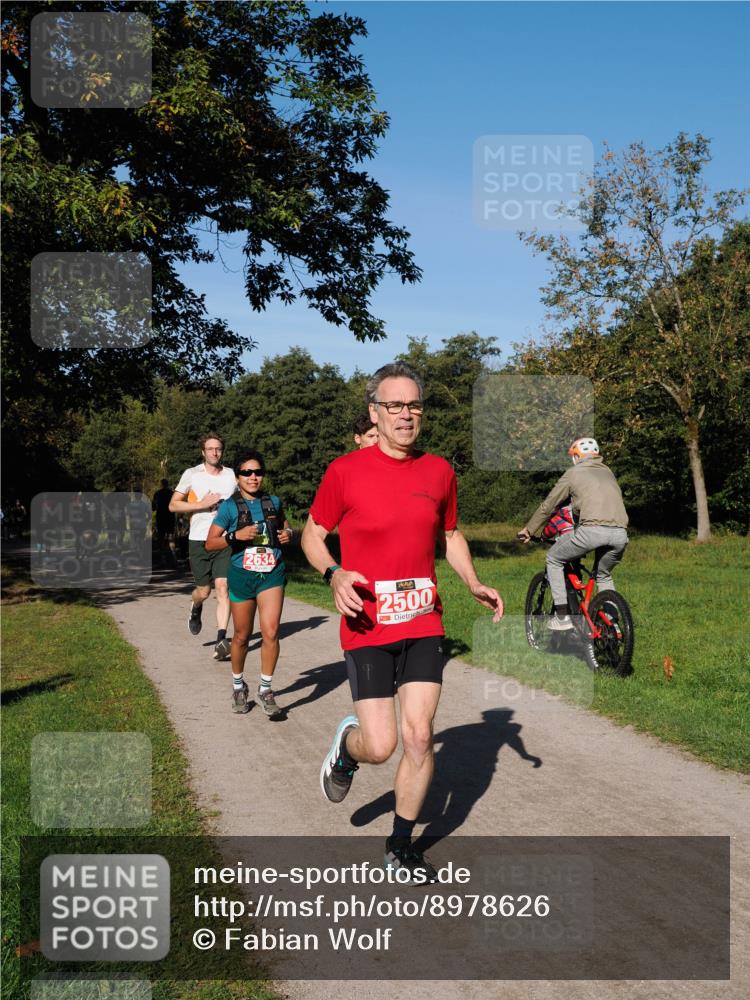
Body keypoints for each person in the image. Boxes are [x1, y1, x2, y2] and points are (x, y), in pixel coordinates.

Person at [302, 361, 504, 881]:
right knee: (382, 745)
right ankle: (348, 751)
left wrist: (472, 581)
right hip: (367, 623)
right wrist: (334, 574)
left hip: (421, 621)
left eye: (414, 405)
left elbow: (451, 534)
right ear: (375, 411)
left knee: (418, 736)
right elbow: (312, 535)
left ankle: (400, 845)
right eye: (394, 405)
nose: (406, 415)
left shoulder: (439, 471)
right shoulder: (345, 471)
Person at [206, 451, 293, 716]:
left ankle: (266, 689)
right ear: (237, 476)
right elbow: (210, 543)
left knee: (271, 631)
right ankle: (238, 685)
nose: (253, 477)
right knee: (242, 636)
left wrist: (287, 534)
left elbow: (286, 526)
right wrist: (236, 535)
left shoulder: (273, 502)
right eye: (247, 473)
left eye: (258, 472)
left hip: (271, 573)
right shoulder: (229, 507)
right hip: (242, 576)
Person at [517, 437, 629, 630]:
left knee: (553, 558)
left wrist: (529, 529)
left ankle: (562, 617)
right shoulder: (608, 472)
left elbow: (549, 505)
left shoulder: (573, 473)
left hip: (592, 532)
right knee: (603, 576)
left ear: (577, 457)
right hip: (620, 534)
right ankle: (613, 625)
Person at [170, 434, 237, 660]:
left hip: (224, 539)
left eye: (218, 449)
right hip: (199, 539)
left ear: (222, 451)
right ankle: (196, 606)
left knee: (223, 587)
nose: (214, 453)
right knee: (204, 591)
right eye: (210, 449)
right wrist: (201, 504)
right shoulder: (192, 474)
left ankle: (221, 639)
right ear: (203, 452)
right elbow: (173, 505)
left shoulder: (231, 476)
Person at [152, 479, 177, 564]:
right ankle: (173, 557)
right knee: (171, 538)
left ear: (161, 484)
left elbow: (153, 507)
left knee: (161, 538)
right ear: (168, 484)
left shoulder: (157, 494)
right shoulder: (172, 493)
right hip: (170, 518)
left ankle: (162, 558)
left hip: (161, 518)